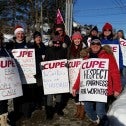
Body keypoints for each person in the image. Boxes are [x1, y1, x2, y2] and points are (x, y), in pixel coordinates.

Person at [72, 38, 122, 126]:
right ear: (90, 46)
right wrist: (75, 87)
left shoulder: (108, 56)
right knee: (87, 108)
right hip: (88, 89)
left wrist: (117, 88)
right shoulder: (86, 58)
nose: (95, 45)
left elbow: (115, 73)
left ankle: (104, 123)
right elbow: (81, 74)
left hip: (102, 89)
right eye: (93, 43)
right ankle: (96, 121)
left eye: (97, 44)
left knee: (100, 111)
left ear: (100, 45)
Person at [6, 25, 34, 126]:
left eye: (22, 33)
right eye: (18, 33)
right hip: (15, 75)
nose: (20, 35)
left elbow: (33, 59)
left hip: (27, 75)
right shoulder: (10, 46)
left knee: (26, 94)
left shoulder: (29, 45)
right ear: (15, 35)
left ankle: (26, 113)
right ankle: (17, 113)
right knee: (17, 95)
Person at [44, 34, 69, 120]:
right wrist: (43, 66)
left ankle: (58, 109)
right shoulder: (48, 50)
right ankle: (49, 112)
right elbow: (45, 61)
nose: (57, 45)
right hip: (50, 77)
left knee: (59, 94)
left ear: (61, 43)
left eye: (59, 43)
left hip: (59, 77)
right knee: (49, 95)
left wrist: (66, 64)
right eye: (55, 43)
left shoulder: (63, 50)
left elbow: (66, 60)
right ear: (52, 43)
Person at [100, 23, 123, 108]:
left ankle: (112, 105)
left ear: (111, 31)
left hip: (113, 67)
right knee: (106, 86)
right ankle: (105, 104)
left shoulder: (115, 41)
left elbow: (119, 55)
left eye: (109, 30)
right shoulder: (100, 41)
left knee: (113, 85)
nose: (107, 31)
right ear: (103, 31)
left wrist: (120, 66)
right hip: (103, 68)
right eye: (105, 30)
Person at [67, 31, 85, 120]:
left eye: (78, 38)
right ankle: (78, 110)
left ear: (80, 39)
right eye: (75, 39)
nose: (77, 40)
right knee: (75, 93)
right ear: (73, 40)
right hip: (73, 74)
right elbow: (67, 60)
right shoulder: (69, 49)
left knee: (82, 92)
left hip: (82, 74)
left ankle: (82, 111)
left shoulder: (84, 48)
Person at [32, 31, 46, 109]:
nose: (38, 38)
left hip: (43, 69)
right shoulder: (32, 46)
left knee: (42, 87)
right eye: (37, 37)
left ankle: (42, 102)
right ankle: (37, 103)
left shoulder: (43, 45)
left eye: (39, 37)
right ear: (34, 38)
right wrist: (40, 57)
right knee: (37, 87)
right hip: (35, 69)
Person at [0, 32, 9, 126]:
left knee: (3, 101)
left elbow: (10, 61)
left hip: (4, 81)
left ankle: (4, 121)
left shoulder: (4, 50)